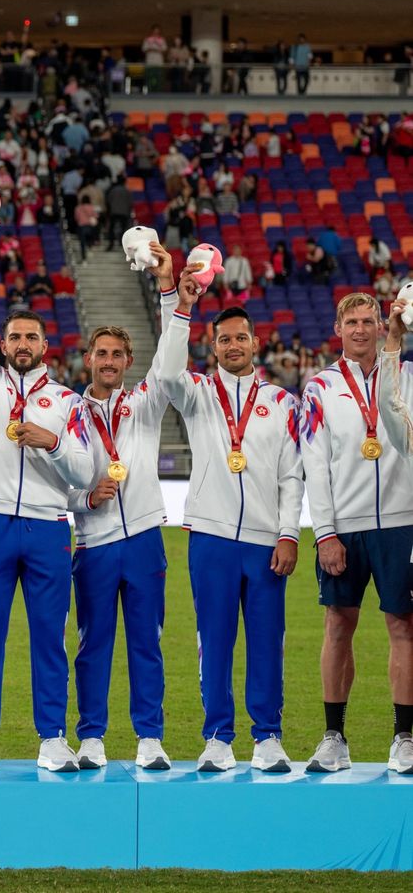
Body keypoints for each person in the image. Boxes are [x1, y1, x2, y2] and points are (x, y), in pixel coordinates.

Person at [0, 214, 95, 772]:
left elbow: (82, 471)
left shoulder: (67, 400)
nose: (24, 343)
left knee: (49, 639)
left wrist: (51, 442)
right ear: (1, 344)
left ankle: (52, 738)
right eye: (15, 336)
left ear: (46, 345)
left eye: (32, 336)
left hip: (49, 527)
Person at [158, 273, 303, 773]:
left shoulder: (283, 402)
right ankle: (218, 737)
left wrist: (289, 532)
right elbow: (166, 369)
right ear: (212, 346)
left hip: (266, 542)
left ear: (255, 343)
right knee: (213, 640)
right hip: (211, 537)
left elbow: (291, 475)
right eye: (224, 339)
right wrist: (178, 306)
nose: (234, 345)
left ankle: (268, 737)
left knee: (267, 642)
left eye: (241, 337)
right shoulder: (196, 392)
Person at [66, 244, 180, 772]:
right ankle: (90, 736)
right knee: (92, 646)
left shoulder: (147, 403)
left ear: (128, 362)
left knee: (146, 644)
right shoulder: (68, 409)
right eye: (101, 353)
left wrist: (168, 290)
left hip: (143, 543)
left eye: (117, 354)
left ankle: (150, 737)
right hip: (92, 542)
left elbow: (172, 356)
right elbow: (50, 478)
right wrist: (83, 499)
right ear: (88, 358)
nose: (109, 361)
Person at [303, 294, 413, 775]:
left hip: (401, 522)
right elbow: (314, 463)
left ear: (382, 325)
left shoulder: (407, 377)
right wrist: (325, 531)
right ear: (337, 328)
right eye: (352, 322)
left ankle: (404, 738)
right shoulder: (319, 388)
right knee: (337, 625)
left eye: (370, 321)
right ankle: (334, 737)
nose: (361, 329)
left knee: (404, 629)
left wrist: (397, 344)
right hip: (344, 527)